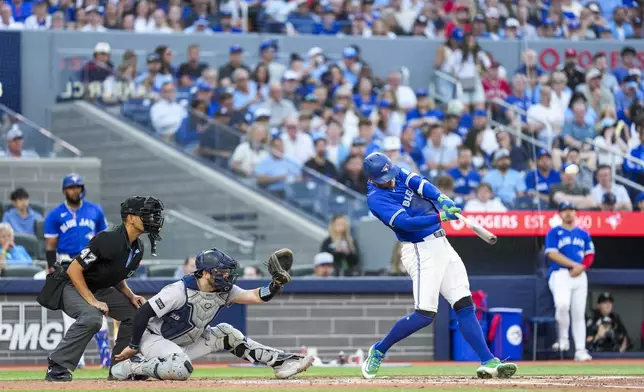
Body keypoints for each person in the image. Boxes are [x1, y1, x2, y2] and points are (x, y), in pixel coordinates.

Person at [360, 152, 517, 379]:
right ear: (373, 179)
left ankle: (488, 360)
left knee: (464, 303)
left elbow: (419, 183)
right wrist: (440, 216)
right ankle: (379, 350)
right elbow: (406, 223)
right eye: (385, 179)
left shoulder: (395, 172)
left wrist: (440, 197)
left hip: (442, 244)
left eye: (391, 174)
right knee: (425, 314)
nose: (392, 180)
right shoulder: (376, 198)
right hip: (419, 249)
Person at [109, 248, 313, 380]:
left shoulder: (225, 290)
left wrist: (276, 284)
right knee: (180, 369)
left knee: (226, 333)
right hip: (154, 340)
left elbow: (257, 296)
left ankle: (282, 363)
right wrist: (133, 346)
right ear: (205, 272)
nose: (226, 276)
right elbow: (144, 312)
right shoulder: (179, 290)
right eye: (220, 271)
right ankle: (133, 367)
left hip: (185, 343)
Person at [40, 196, 164, 381]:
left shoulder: (137, 247)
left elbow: (115, 275)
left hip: (100, 287)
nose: (152, 217)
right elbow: (75, 269)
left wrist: (130, 295)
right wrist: (92, 300)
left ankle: (118, 368)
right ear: (130, 218)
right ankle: (57, 366)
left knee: (136, 313)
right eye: (146, 214)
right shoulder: (108, 238)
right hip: (72, 283)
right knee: (92, 318)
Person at [43, 174, 111, 369]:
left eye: (78, 187)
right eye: (71, 187)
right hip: (66, 261)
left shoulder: (94, 210)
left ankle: (105, 354)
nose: (75, 190)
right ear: (65, 190)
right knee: (68, 312)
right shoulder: (56, 214)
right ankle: (77, 359)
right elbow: (50, 244)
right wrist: (51, 267)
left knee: (98, 306)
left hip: (91, 263)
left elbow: (103, 237)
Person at [545, 201, 594, 362]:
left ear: (575, 212)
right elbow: (552, 254)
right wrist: (575, 265)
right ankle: (563, 339)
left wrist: (582, 267)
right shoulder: (554, 232)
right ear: (560, 213)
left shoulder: (583, 233)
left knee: (579, 313)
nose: (568, 213)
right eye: (565, 210)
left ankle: (580, 350)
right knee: (562, 305)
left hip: (580, 275)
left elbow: (589, 254)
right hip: (560, 274)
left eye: (571, 209)